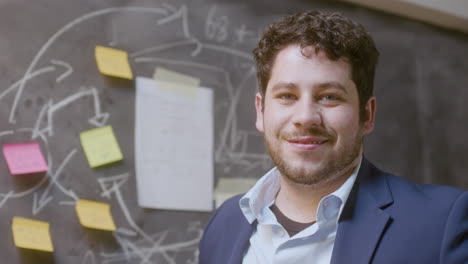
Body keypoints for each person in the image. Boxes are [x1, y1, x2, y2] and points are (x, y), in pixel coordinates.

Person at [199, 10, 468, 264]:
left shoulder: (442, 223)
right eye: (287, 96)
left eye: (329, 97)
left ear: (367, 115)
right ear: (261, 111)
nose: (305, 117)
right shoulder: (225, 223)